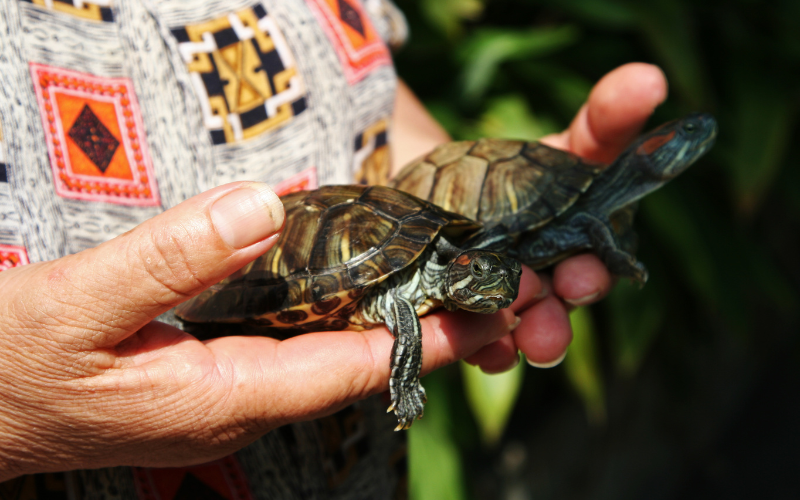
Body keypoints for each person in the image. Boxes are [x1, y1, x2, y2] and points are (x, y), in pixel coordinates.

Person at [0, 0, 667, 496]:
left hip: (352, 464)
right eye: (479, 278)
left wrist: (450, 172)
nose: (489, 289)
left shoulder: (450, 267)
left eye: (486, 279)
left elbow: (357, 63)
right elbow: (404, 304)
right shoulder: (411, 294)